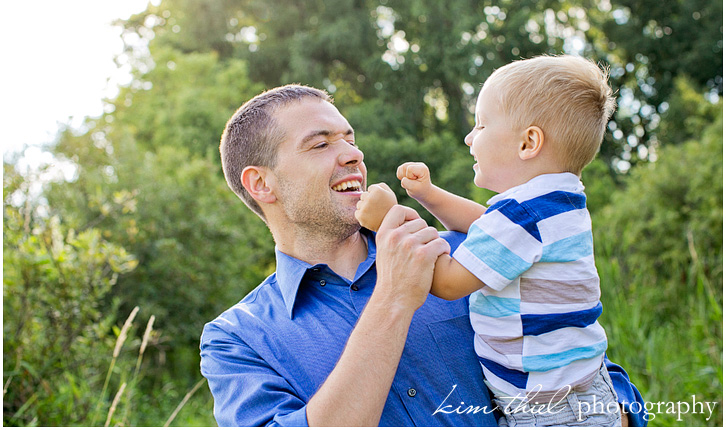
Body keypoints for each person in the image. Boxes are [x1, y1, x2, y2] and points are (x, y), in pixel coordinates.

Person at [200, 83, 647, 426]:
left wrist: (621, 418)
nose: (353, 154)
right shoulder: (237, 340)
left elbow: (577, 352)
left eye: (350, 139)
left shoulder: (462, 254)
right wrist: (394, 297)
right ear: (262, 184)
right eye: (321, 144)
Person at [355, 55, 627, 426]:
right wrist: (430, 195)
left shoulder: (524, 216)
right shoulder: (556, 202)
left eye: (481, 125)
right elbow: (485, 223)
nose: (469, 137)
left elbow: (449, 282)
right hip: (582, 389)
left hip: (548, 409)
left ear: (528, 142)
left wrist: (386, 223)